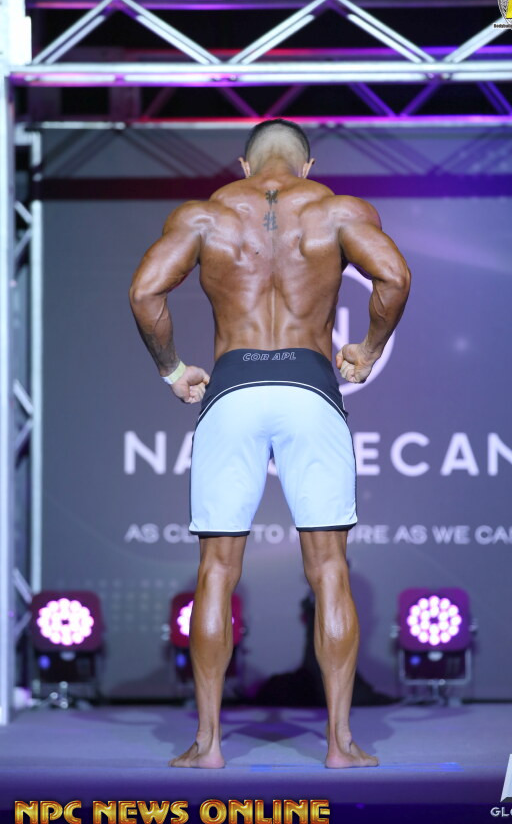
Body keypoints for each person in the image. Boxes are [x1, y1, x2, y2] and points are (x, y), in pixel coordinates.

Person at [129, 119, 411, 769]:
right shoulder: (338, 211)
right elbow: (395, 277)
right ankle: (340, 745)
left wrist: (173, 370)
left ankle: (208, 745)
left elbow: (145, 292)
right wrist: (368, 350)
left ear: (242, 163)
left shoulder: (205, 216)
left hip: (232, 392)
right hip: (311, 390)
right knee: (330, 569)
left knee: (216, 571)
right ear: (308, 166)